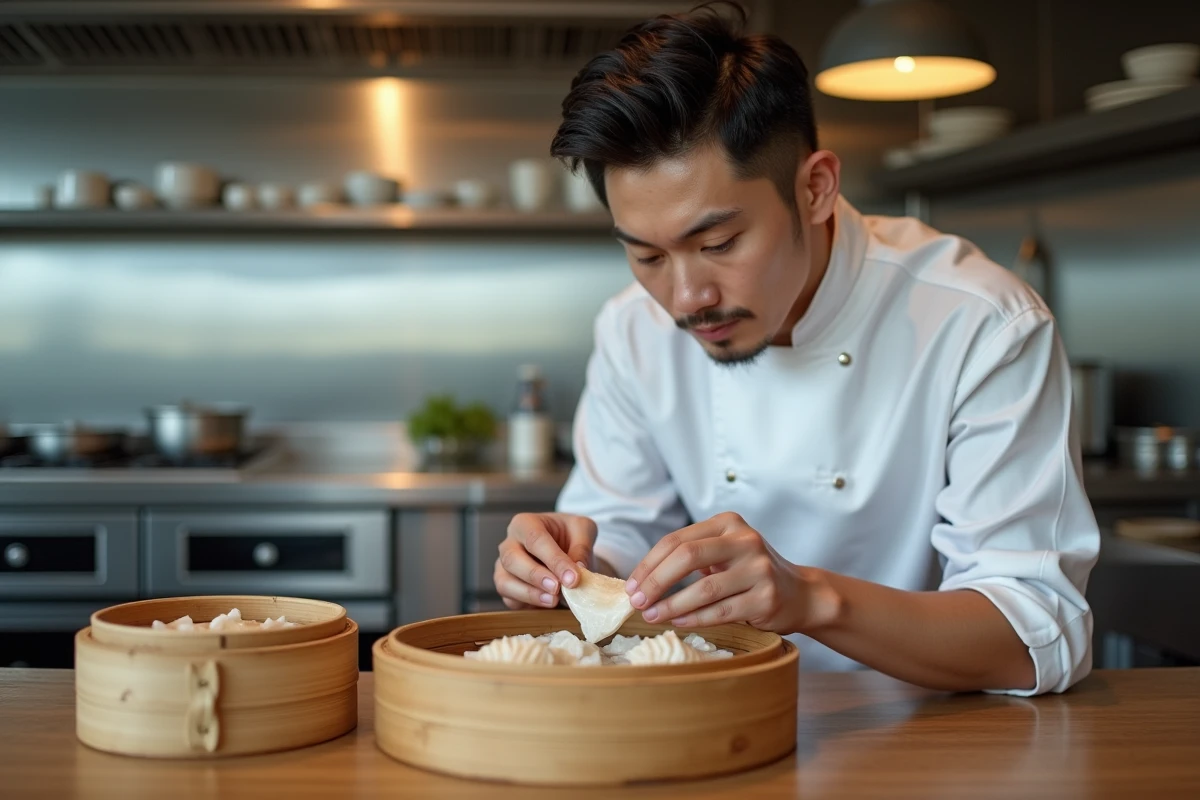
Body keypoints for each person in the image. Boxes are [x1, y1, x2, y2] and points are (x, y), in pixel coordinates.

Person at [492, 2, 1099, 695]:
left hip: (934, 734)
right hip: (711, 719)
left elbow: (1036, 634)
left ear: (816, 189)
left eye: (717, 245)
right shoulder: (633, 327)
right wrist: (570, 563)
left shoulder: (981, 325)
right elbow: (623, 529)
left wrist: (808, 600)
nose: (686, 297)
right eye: (647, 254)